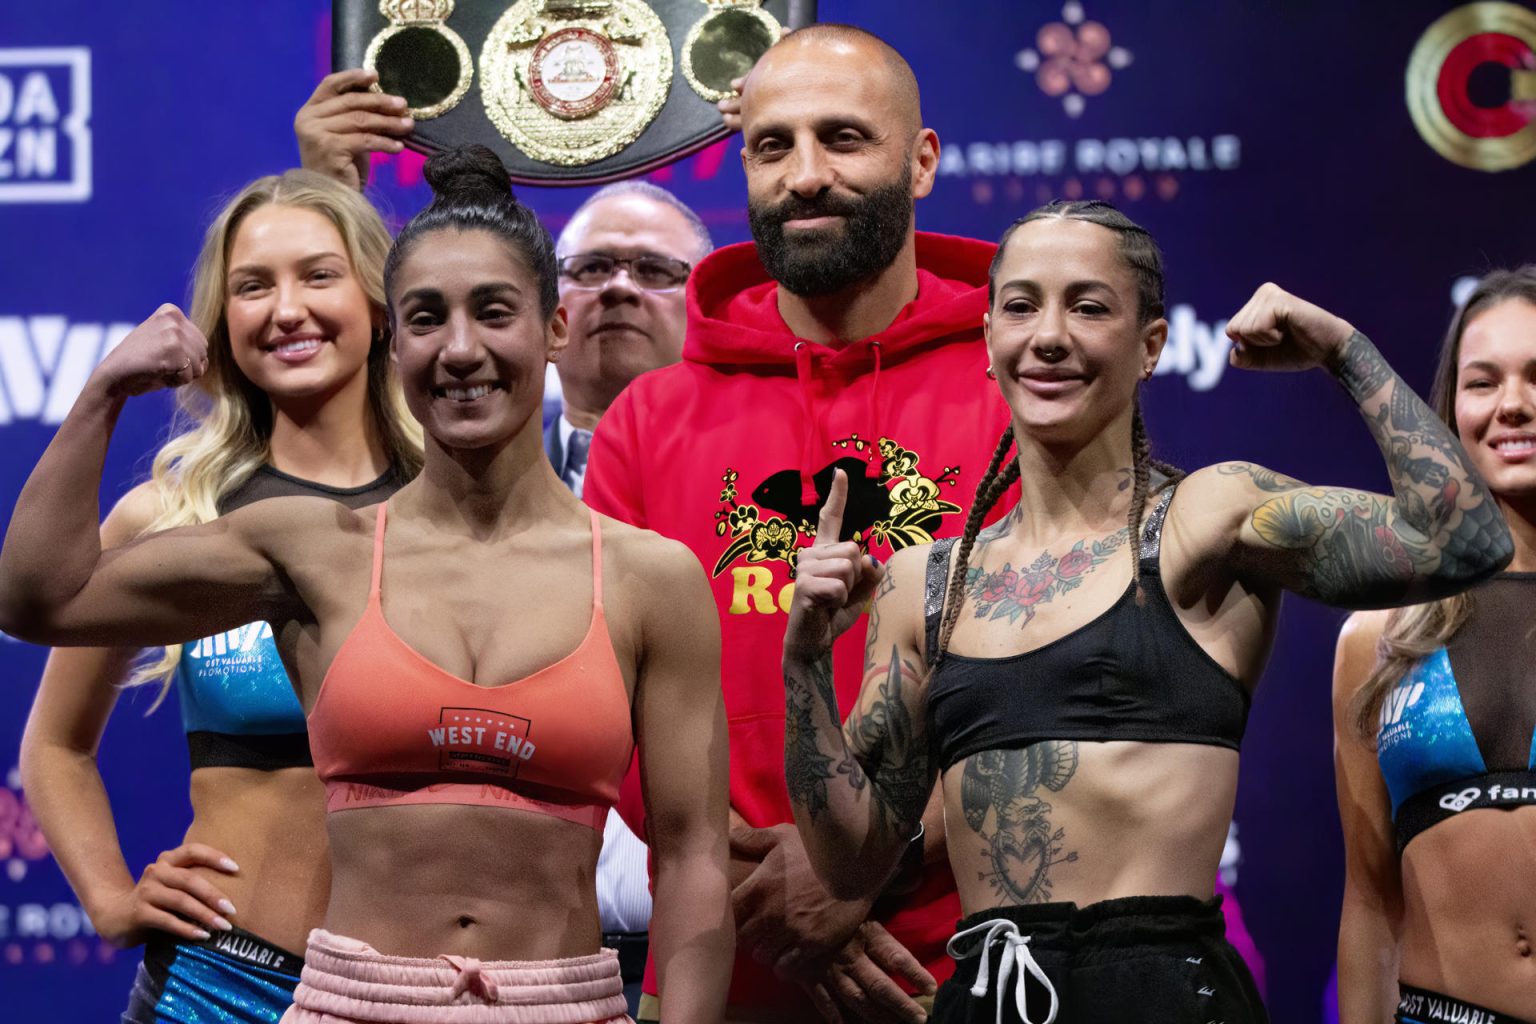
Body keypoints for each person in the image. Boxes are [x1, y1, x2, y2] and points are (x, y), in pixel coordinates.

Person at [0, 145, 732, 1024]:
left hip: (566, 1000)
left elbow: (692, 855)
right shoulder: (309, 547)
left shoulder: (649, 574)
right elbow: (37, 600)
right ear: (398, 338)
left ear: (554, 328)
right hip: (312, 992)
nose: (461, 348)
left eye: (494, 311)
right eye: (427, 318)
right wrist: (101, 396)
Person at [778, 200, 1512, 1024]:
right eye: (1021, 306)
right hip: (988, 994)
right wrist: (803, 664)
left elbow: (1464, 541)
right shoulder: (924, 583)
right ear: (989, 342)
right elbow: (852, 865)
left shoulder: (1208, 518)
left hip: (1164, 991)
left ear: (1151, 346)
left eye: (1088, 306)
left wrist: (1342, 350)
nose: (1049, 335)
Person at [584, 23, 1013, 1024]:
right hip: (717, 960)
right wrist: (770, 889)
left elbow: (1065, 676)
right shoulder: (646, 420)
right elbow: (603, 701)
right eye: (773, 146)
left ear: (923, 161)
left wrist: (867, 864)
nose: (805, 175)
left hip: (957, 969)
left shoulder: (1017, 387)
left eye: (844, 139)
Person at [19, 169, 422, 1023]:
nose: (286, 309)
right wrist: (111, 897)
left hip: (421, 987)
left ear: (381, 302)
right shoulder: (170, 518)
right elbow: (54, 746)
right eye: (252, 286)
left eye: (319, 275)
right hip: (216, 987)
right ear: (220, 321)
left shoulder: (454, 506)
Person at [1333, 267, 1536, 1024]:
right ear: (1449, 411)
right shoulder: (1378, 636)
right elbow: (1367, 903)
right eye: (1483, 382)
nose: (1512, 404)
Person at [549, 183, 715, 1013]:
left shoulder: (761, 490)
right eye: (592, 267)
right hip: (517, 952)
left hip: (707, 938)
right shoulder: (449, 479)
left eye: (655, 270)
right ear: (547, 312)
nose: (618, 287)